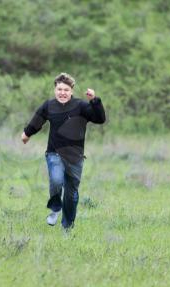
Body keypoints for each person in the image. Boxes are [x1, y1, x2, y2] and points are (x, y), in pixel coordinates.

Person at [21, 72, 106, 230]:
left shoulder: (81, 106)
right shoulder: (49, 106)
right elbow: (37, 120)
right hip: (54, 153)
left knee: (71, 194)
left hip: (75, 157)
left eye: (66, 90)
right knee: (56, 180)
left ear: (71, 91)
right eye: (59, 89)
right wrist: (27, 133)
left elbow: (100, 119)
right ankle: (55, 208)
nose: (62, 93)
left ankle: (67, 227)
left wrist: (94, 100)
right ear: (55, 90)